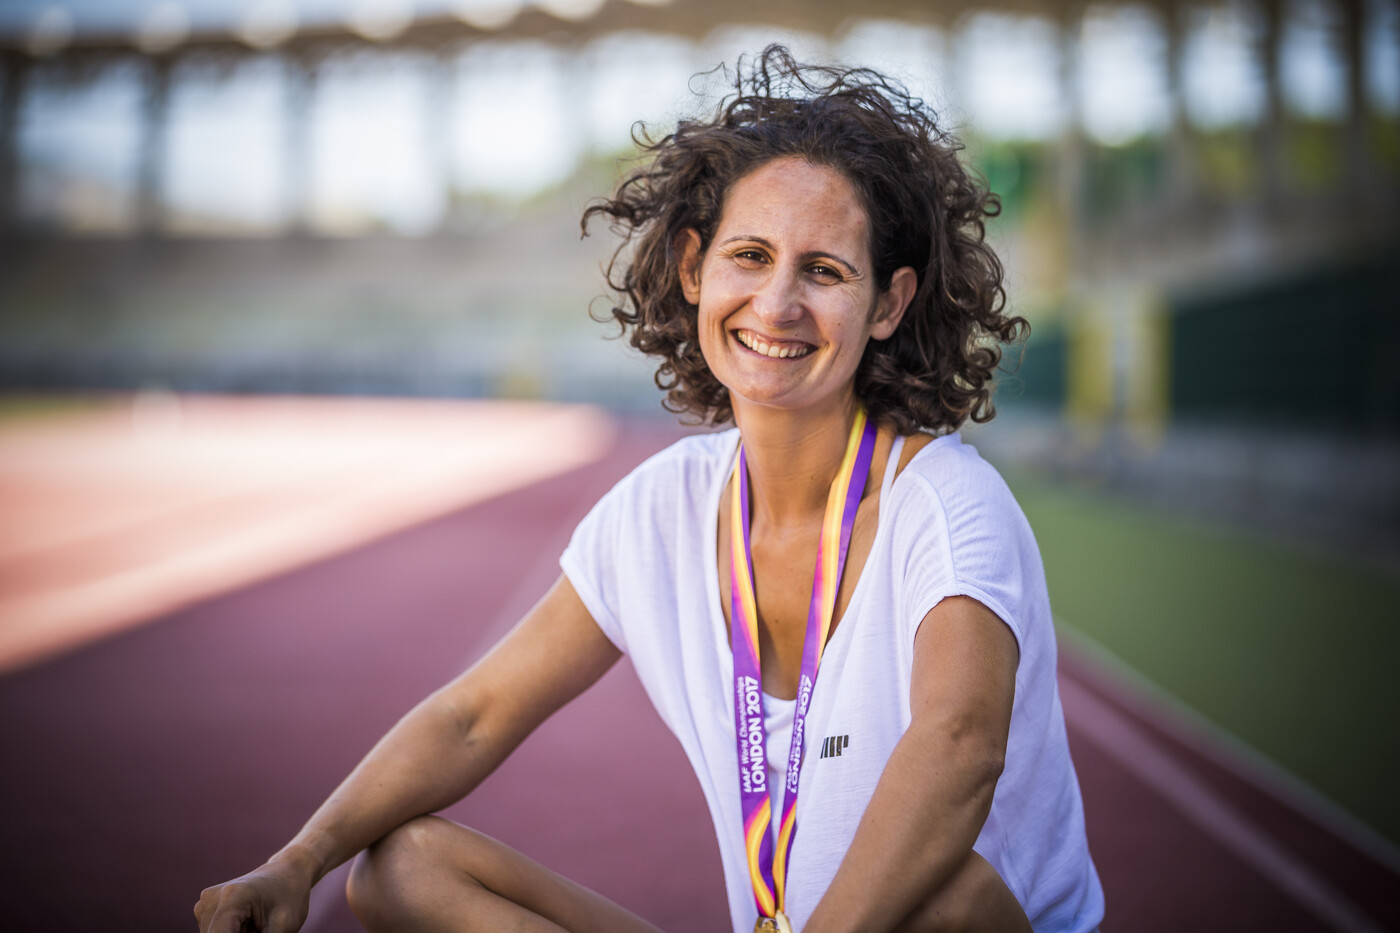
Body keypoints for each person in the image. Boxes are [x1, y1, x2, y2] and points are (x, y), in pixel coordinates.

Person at [195, 45, 1103, 933]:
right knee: (400, 869)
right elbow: (474, 717)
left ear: (889, 304)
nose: (777, 302)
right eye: (750, 255)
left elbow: (960, 746)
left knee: (954, 908)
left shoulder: (943, 502)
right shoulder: (660, 512)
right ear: (693, 269)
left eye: (823, 271)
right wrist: (295, 861)